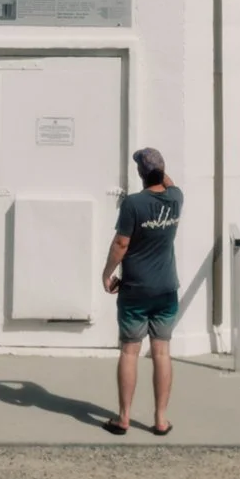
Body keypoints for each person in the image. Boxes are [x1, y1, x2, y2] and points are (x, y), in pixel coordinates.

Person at [101, 148, 183, 437]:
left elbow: (120, 244)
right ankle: (161, 419)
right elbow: (169, 183)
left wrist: (107, 273)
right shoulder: (176, 198)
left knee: (130, 351)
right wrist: (159, 170)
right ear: (162, 171)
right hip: (166, 289)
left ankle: (123, 417)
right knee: (162, 351)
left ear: (140, 174)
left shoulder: (133, 204)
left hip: (136, 289)